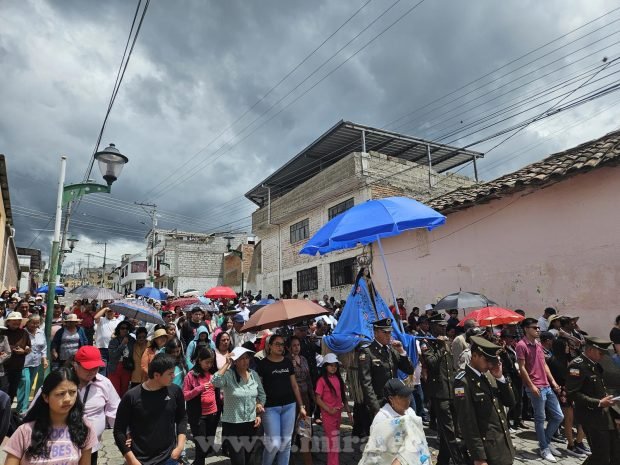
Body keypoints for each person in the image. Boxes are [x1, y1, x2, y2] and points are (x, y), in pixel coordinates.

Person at [3, 368, 97, 465]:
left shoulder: (84, 429)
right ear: (46, 397)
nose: (68, 399)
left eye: (72, 392)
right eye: (60, 394)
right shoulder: (25, 431)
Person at [114, 354, 188, 465]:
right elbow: (119, 431)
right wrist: (132, 460)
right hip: (140, 460)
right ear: (157, 375)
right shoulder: (132, 396)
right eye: (170, 373)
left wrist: (180, 446)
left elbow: (182, 418)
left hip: (169, 458)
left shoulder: (175, 391)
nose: (174, 376)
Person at [454, 336, 515, 465]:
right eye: (487, 360)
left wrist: (500, 378)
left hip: (502, 444)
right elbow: (467, 422)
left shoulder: (489, 375)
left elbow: (510, 402)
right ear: (474, 356)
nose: (490, 364)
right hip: (487, 449)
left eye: (492, 361)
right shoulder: (462, 382)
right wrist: (479, 456)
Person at [516, 317, 564, 462]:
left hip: (547, 386)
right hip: (535, 387)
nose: (538, 330)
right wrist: (531, 386)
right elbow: (522, 368)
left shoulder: (537, 344)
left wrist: (553, 382)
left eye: (538, 327)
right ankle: (544, 448)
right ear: (526, 329)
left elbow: (544, 365)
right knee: (540, 419)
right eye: (534, 328)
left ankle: (546, 442)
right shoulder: (521, 345)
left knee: (558, 416)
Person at [566, 336, 619, 465]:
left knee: (616, 453)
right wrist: (599, 403)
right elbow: (573, 394)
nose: (602, 356)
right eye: (600, 353)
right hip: (591, 417)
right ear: (590, 350)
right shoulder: (577, 366)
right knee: (600, 456)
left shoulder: (594, 364)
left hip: (604, 415)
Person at [357, 318, 413, 437]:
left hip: (394, 402)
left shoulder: (391, 350)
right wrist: (376, 408)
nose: (388, 336)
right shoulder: (367, 352)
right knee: (381, 439)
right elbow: (366, 383)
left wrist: (402, 352)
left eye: (389, 332)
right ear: (376, 333)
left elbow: (409, 370)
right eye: (385, 332)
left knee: (395, 437)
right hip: (379, 402)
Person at [421, 315, 465, 465]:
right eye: (440, 326)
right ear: (432, 326)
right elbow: (431, 363)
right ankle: (459, 461)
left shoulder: (447, 341)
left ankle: (443, 461)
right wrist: (440, 347)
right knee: (448, 430)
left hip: (452, 390)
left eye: (444, 325)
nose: (443, 328)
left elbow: (452, 368)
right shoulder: (426, 343)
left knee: (454, 428)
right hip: (439, 393)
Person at [257, 334, 307, 465]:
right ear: (269, 346)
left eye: (282, 344)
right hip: (270, 408)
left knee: (286, 442)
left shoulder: (287, 362)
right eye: (277, 344)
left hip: (289, 406)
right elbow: (259, 388)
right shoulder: (262, 364)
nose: (280, 347)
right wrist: (258, 405)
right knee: (274, 443)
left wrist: (301, 406)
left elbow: (294, 385)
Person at [212, 346, 266, 465]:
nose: (245, 361)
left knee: (252, 460)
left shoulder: (254, 375)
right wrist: (226, 364)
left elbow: (262, 395)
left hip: (252, 423)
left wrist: (259, 409)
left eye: (247, 358)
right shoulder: (228, 375)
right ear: (235, 361)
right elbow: (215, 381)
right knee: (239, 461)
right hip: (233, 425)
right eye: (241, 358)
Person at [359, 379, 431, 465]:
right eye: (402, 396)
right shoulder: (382, 419)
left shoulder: (410, 412)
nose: (407, 399)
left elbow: (420, 439)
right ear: (391, 399)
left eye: (408, 395)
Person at [182, 348, 218, 465]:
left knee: (207, 445)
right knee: (201, 445)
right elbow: (186, 395)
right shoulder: (191, 375)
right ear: (199, 360)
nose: (209, 365)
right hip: (198, 416)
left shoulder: (212, 374)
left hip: (212, 413)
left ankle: (197, 462)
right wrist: (199, 389)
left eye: (211, 362)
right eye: (206, 362)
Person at [314, 353, 351, 465]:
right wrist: (328, 409)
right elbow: (318, 399)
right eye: (330, 365)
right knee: (332, 441)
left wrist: (349, 412)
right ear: (325, 366)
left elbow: (343, 397)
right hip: (328, 415)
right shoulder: (321, 381)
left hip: (338, 413)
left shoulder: (338, 379)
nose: (333, 367)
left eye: (335, 365)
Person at [288, 335, 315, 465]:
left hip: (305, 398)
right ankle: (287, 456)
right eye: (294, 345)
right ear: (289, 348)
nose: (296, 348)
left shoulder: (303, 359)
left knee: (305, 429)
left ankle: (307, 456)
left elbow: (308, 379)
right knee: (291, 429)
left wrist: (313, 395)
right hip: (292, 400)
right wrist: (290, 365)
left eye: (298, 345)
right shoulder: (286, 361)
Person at [16, 315, 47, 415]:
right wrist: (22, 350)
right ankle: (23, 410)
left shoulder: (40, 332)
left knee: (28, 385)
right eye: (33, 322)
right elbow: (16, 345)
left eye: (37, 322)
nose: (35, 325)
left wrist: (44, 359)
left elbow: (43, 347)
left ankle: (20, 406)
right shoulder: (22, 332)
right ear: (28, 322)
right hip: (23, 362)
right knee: (25, 382)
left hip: (36, 363)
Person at [4, 312, 30, 403]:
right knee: (3, 390)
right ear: (8, 322)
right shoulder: (3, 331)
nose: (17, 322)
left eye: (19, 320)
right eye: (14, 320)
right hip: (4, 367)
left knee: (12, 391)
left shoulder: (23, 332)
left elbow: (28, 347)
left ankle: (7, 413)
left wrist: (24, 351)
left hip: (17, 367)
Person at [107, 320, 135, 397]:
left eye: (127, 328)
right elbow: (112, 356)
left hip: (126, 368)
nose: (125, 330)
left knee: (124, 390)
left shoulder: (132, 340)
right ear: (118, 329)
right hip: (115, 368)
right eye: (122, 328)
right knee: (115, 391)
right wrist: (122, 344)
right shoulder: (113, 341)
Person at [94, 307, 122, 375]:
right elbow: (95, 317)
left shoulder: (118, 322)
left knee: (111, 368)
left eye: (111, 311)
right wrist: (105, 309)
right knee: (102, 368)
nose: (109, 313)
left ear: (114, 312)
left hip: (113, 348)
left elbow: (120, 334)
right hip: (102, 347)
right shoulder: (101, 319)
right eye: (108, 311)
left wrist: (115, 335)